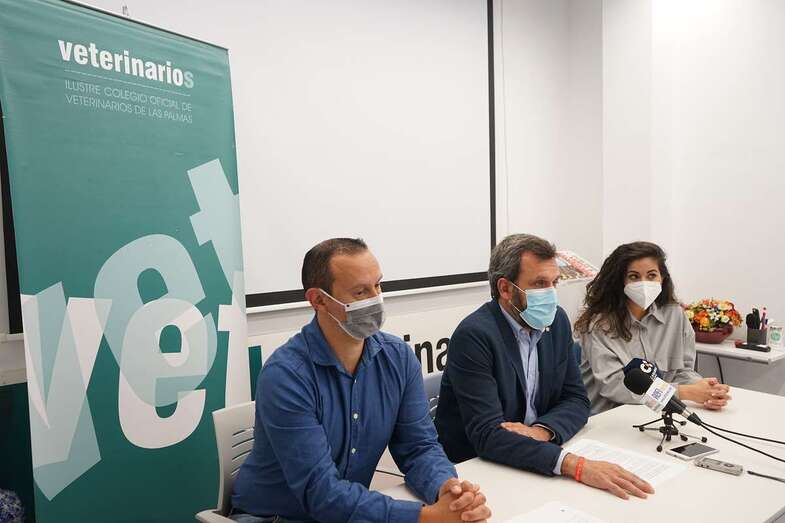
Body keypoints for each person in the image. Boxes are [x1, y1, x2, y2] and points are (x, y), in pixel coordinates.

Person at [231, 238, 491, 523]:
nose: (375, 299)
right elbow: (321, 493)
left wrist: (448, 491)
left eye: (378, 285)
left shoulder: (398, 358)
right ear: (318, 300)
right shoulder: (287, 376)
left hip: (345, 513)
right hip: (276, 517)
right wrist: (427, 517)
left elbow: (419, 448)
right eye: (360, 291)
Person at [435, 233, 654, 500]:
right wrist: (576, 465)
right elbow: (487, 436)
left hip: (538, 455)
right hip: (477, 472)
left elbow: (576, 399)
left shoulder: (557, 322)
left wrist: (540, 431)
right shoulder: (475, 335)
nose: (550, 293)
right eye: (540, 283)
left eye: (554, 282)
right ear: (505, 289)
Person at [575, 241, 732, 415]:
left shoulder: (675, 315)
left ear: (662, 278)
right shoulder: (599, 324)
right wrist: (685, 392)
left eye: (651, 275)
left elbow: (683, 370)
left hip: (657, 414)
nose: (644, 283)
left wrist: (707, 391)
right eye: (634, 276)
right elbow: (614, 386)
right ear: (619, 281)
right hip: (608, 417)